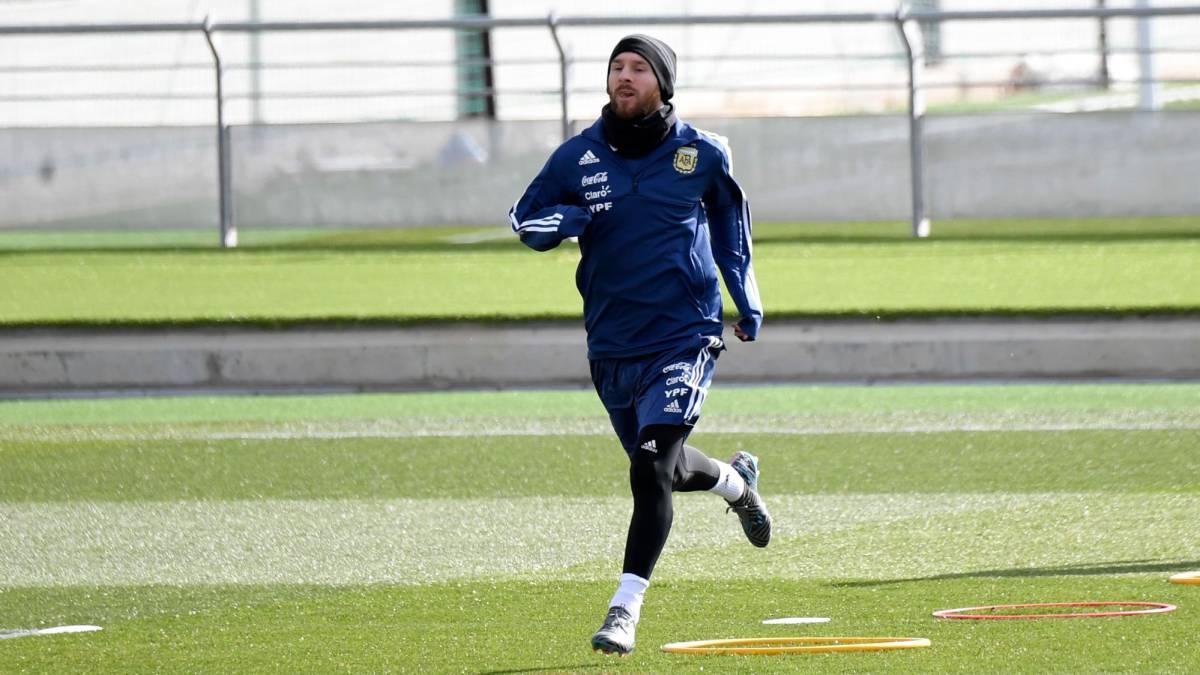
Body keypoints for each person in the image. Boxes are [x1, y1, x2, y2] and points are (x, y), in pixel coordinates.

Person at [508, 34, 771, 657]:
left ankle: (624, 609)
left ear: (663, 83)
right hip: (612, 341)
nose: (624, 76)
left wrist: (746, 299)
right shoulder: (576, 157)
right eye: (617, 67)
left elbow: (732, 227)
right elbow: (524, 219)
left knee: (650, 467)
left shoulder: (702, 153)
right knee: (665, 469)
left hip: (685, 334)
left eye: (639, 68)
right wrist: (562, 223)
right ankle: (736, 483)